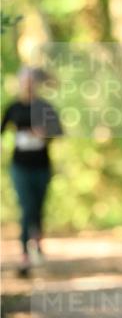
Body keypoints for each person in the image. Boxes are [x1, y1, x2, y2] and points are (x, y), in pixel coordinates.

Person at [1, 67, 62, 276]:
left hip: (41, 165)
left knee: (37, 207)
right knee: (26, 207)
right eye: (24, 81)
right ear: (19, 83)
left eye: (30, 81)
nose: (27, 85)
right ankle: (24, 255)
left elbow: (59, 131)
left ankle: (37, 241)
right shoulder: (13, 108)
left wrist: (44, 135)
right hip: (19, 165)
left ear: (36, 84)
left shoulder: (45, 107)